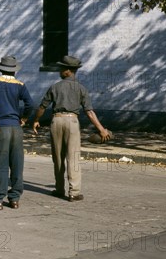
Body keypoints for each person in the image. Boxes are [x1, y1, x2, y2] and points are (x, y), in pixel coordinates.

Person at [32, 56, 110, 201]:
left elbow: (42, 107)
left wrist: (36, 120)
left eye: (62, 68)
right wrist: (101, 129)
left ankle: (59, 189)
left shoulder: (55, 87)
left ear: (68, 71)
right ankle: (74, 192)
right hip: (72, 121)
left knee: (58, 157)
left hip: (56, 121)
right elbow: (89, 111)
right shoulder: (81, 89)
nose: (59, 71)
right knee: (73, 156)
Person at [0, 56, 34, 210]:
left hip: (1, 127)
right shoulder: (20, 85)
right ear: (14, 71)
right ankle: (14, 198)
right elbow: (30, 104)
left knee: (0, 162)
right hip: (16, 128)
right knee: (17, 163)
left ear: (1, 69)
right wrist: (23, 118)